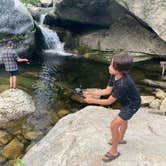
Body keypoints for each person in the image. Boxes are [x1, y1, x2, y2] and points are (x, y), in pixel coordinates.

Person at [83, 54, 141, 162]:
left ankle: (114, 151)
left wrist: (91, 101)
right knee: (123, 121)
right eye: (110, 64)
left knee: (113, 125)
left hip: (132, 104)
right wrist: (92, 92)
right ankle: (120, 139)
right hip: (125, 101)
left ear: (119, 70)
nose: (108, 67)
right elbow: (107, 90)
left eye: (111, 65)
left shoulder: (123, 84)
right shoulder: (115, 75)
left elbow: (109, 101)